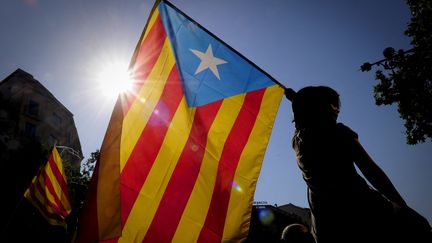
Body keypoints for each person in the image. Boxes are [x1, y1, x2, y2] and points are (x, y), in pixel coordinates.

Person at [284, 86, 431, 243]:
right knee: (419, 227)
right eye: (332, 104)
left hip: (327, 227)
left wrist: (297, 100)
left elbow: (301, 120)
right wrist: (402, 205)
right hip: (364, 210)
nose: (337, 110)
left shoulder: (298, 142)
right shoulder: (338, 133)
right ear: (319, 107)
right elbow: (371, 170)